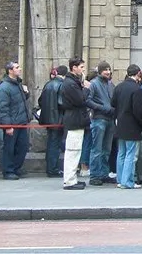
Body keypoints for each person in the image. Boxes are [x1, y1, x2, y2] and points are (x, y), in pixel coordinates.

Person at [0, 61, 31, 180]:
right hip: (12, 123)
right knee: (9, 148)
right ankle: (8, 170)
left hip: (21, 122)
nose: (19, 69)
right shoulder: (4, 88)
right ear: (10, 70)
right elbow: (2, 108)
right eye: (17, 67)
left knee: (23, 146)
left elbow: (19, 101)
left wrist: (26, 93)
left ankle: (16, 168)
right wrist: (7, 126)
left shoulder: (18, 85)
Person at [112, 64, 142, 190]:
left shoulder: (119, 87)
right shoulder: (136, 89)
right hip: (132, 125)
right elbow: (138, 110)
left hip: (120, 123)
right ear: (138, 73)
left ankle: (120, 180)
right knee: (130, 154)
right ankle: (128, 181)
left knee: (121, 153)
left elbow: (112, 103)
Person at [59, 57, 90, 190]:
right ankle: (70, 180)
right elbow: (80, 100)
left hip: (76, 118)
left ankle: (72, 178)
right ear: (74, 68)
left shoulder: (72, 82)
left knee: (76, 150)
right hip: (74, 119)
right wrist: (86, 89)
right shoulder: (70, 83)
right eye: (81, 67)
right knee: (73, 150)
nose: (83, 70)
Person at [87, 61, 115, 186]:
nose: (108, 72)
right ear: (99, 71)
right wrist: (102, 108)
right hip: (99, 118)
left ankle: (104, 173)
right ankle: (94, 175)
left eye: (109, 69)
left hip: (109, 119)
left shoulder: (110, 84)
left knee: (106, 149)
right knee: (97, 148)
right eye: (105, 70)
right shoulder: (93, 84)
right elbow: (88, 100)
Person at [39, 64, 67, 177]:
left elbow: (40, 100)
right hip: (58, 119)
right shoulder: (61, 85)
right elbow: (62, 103)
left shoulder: (48, 84)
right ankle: (53, 169)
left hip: (48, 118)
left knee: (51, 143)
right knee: (55, 145)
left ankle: (50, 167)